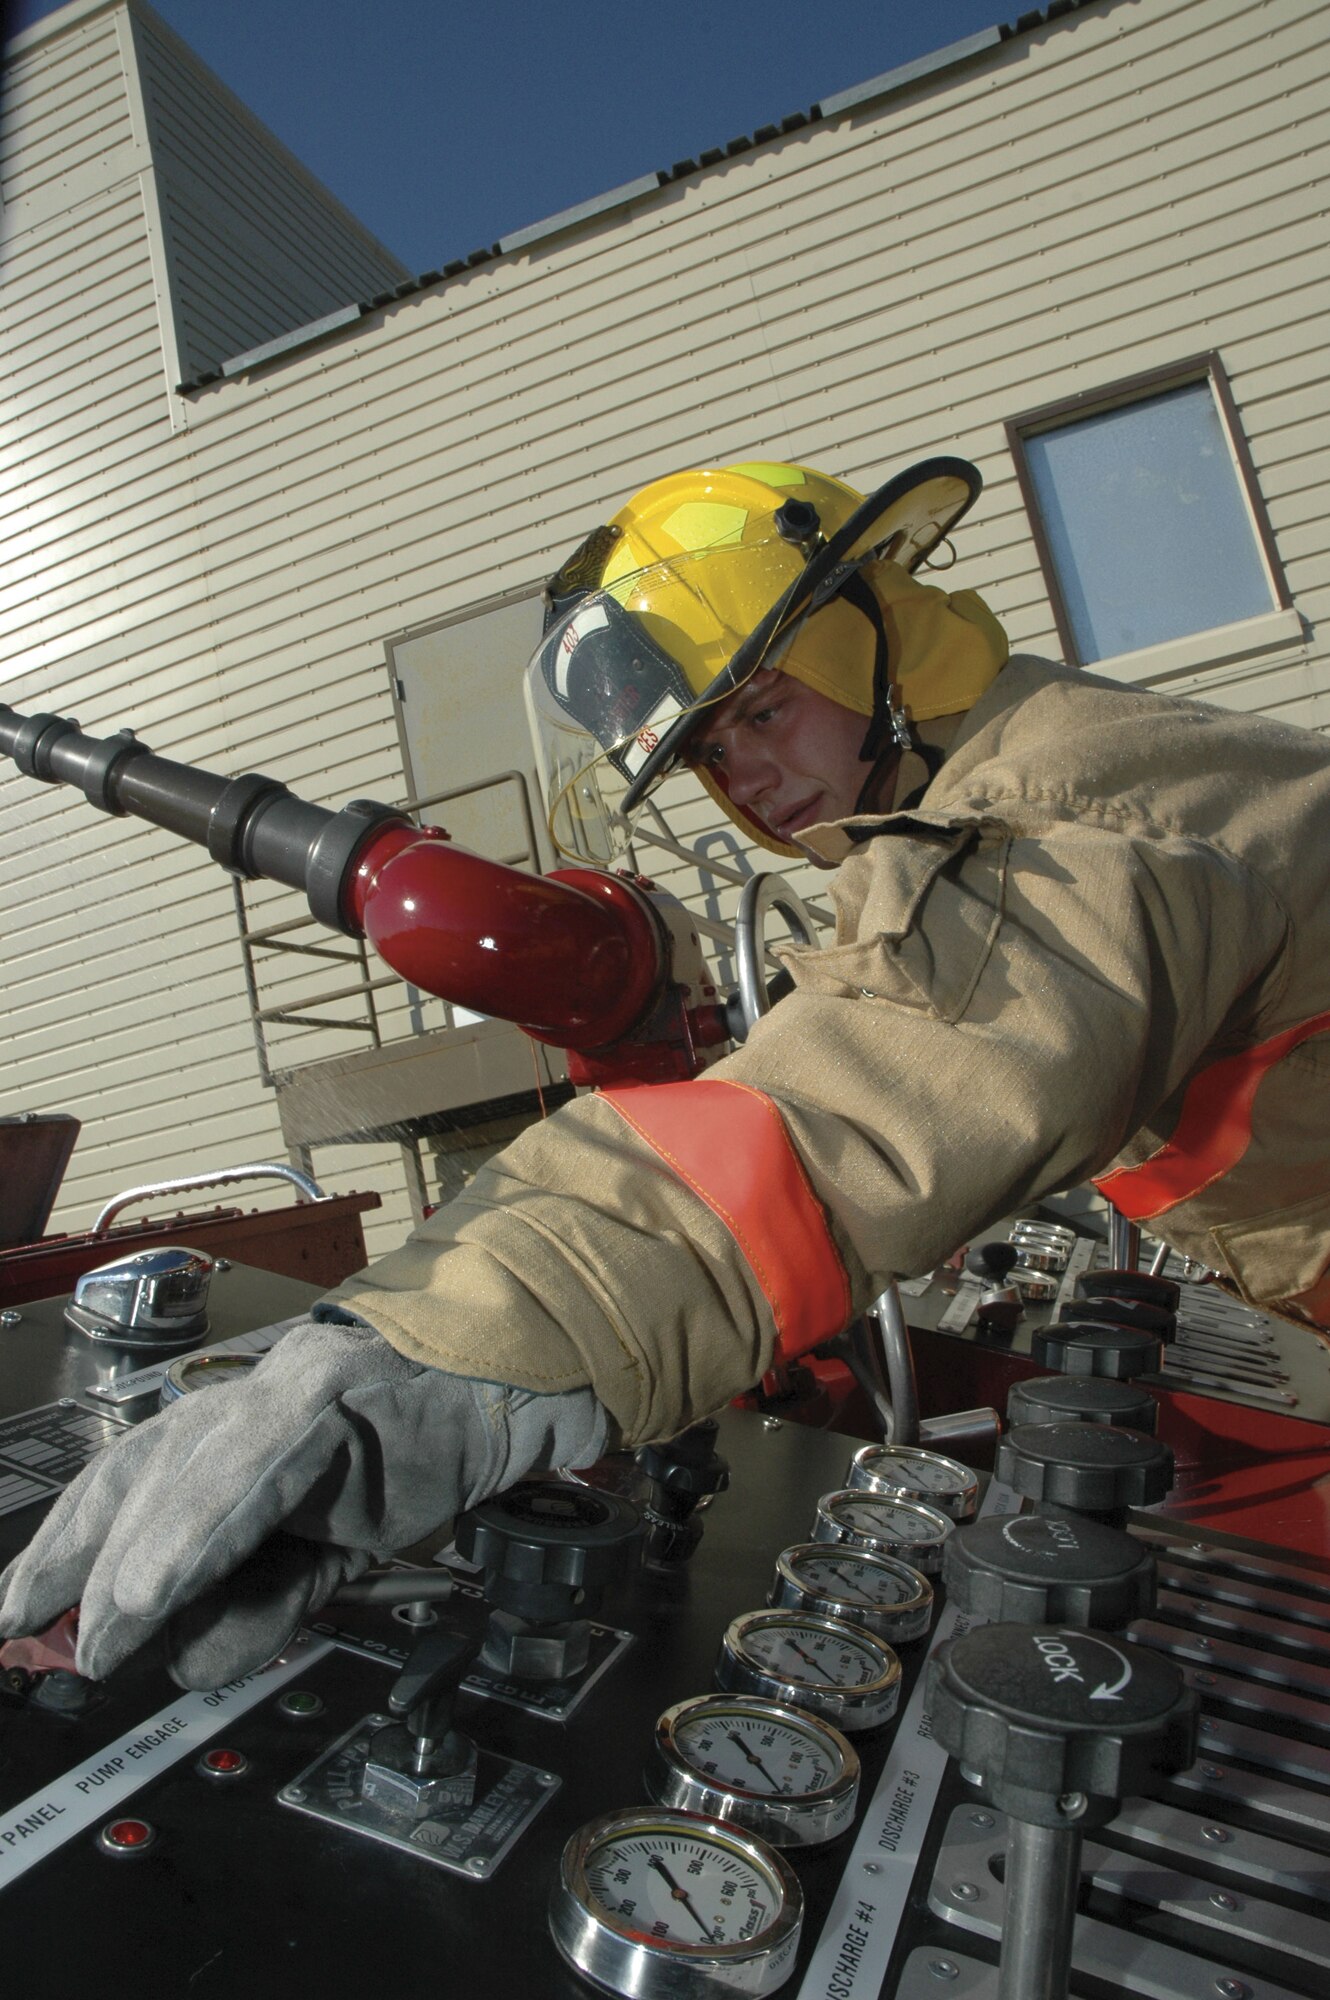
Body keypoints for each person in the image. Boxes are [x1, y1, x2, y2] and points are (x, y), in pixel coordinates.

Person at [3, 455, 1329, 1689]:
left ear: (872, 637)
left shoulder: (1062, 828)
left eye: (759, 707)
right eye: (707, 751)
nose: (743, 773)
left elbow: (858, 1111)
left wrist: (421, 1352)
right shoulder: (1018, 780)